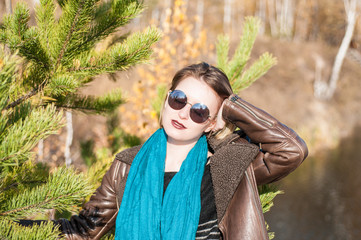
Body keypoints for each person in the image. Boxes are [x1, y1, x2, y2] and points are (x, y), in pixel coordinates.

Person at [20, 62, 308, 239]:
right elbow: (84, 230)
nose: (183, 113)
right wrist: (14, 225)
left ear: (211, 123)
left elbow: (290, 150)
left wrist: (231, 108)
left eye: (199, 111)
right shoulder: (127, 165)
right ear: (167, 98)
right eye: (179, 99)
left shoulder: (226, 166)